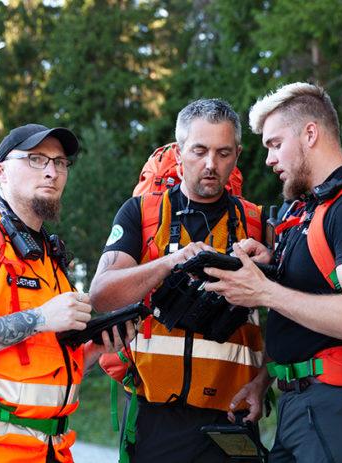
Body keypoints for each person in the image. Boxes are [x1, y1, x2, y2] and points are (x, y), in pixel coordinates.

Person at [203, 83, 342, 462]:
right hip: (303, 409)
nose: (269, 159)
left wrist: (263, 291)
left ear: (310, 133)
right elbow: (302, 320)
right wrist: (263, 381)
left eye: (275, 144)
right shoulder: (306, 213)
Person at [0, 123, 135, 463]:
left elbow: (39, 364)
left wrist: (93, 351)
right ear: (0, 171)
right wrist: (39, 318)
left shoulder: (50, 255)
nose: (51, 172)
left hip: (48, 453)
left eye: (60, 162)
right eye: (36, 159)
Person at [88, 99, 271, 462]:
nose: (210, 164)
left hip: (231, 415)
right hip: (155, 412)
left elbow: (286, 314)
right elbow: (101, 295)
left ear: (237, 154)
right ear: (178, 151)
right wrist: (170, 262)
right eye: (199, 150)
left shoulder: (258, 223)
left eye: (223, 153)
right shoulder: (142, 213)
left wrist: (263, 383)